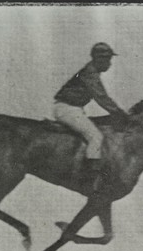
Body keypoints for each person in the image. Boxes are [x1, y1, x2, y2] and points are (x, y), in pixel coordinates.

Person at [53, 42, 128, 183]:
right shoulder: (90, 73)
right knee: (96, 137)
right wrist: (119, 113)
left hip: (72, 109)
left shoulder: (91, 72)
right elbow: (101, 97)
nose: (109, 64)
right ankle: (89, 177)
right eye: (108, 60)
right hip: (67, 109)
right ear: (99, 59)